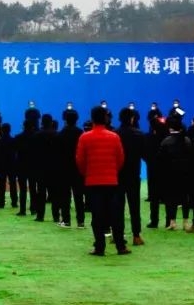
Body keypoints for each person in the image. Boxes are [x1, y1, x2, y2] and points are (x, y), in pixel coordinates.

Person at [76, 106, 129, 256]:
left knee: (97, 216)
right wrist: (112, 172)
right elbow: (120, 159)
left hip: (93, 182)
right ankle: (120, 246)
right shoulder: (114, 137)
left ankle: (99, 247)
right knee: (116, 215)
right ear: (106, 118)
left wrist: (87, 174)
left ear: (92, 118)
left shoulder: (84, 137)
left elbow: (80, 161)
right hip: (112, 181)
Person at [116, 108, 146, 245]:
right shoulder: (139, 134)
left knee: (117, 206)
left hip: (118, 174)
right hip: (134, 174)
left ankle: (118, 235)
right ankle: (136, 235)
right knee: (135, 206)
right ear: (132, 119)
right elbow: (145, 155)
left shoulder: (115, 134)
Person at [161, 117, 193, 231]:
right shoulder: (187, 140)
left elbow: (162, 159)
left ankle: (172, 222)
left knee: (171, 198)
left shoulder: (166, 141)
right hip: (185, 173)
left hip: (170, 174)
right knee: (185, 197)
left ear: (170, 128)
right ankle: (186, 222)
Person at [56, 110, 86, 228]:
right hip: (78, 168)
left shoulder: (61, 134)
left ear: (65, 120)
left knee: (65, 196)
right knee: (79, 196)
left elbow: (58, 153)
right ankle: (81, 221)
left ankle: (66, 220)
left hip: (64, 168)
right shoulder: (81, 133)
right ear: (77, 119)